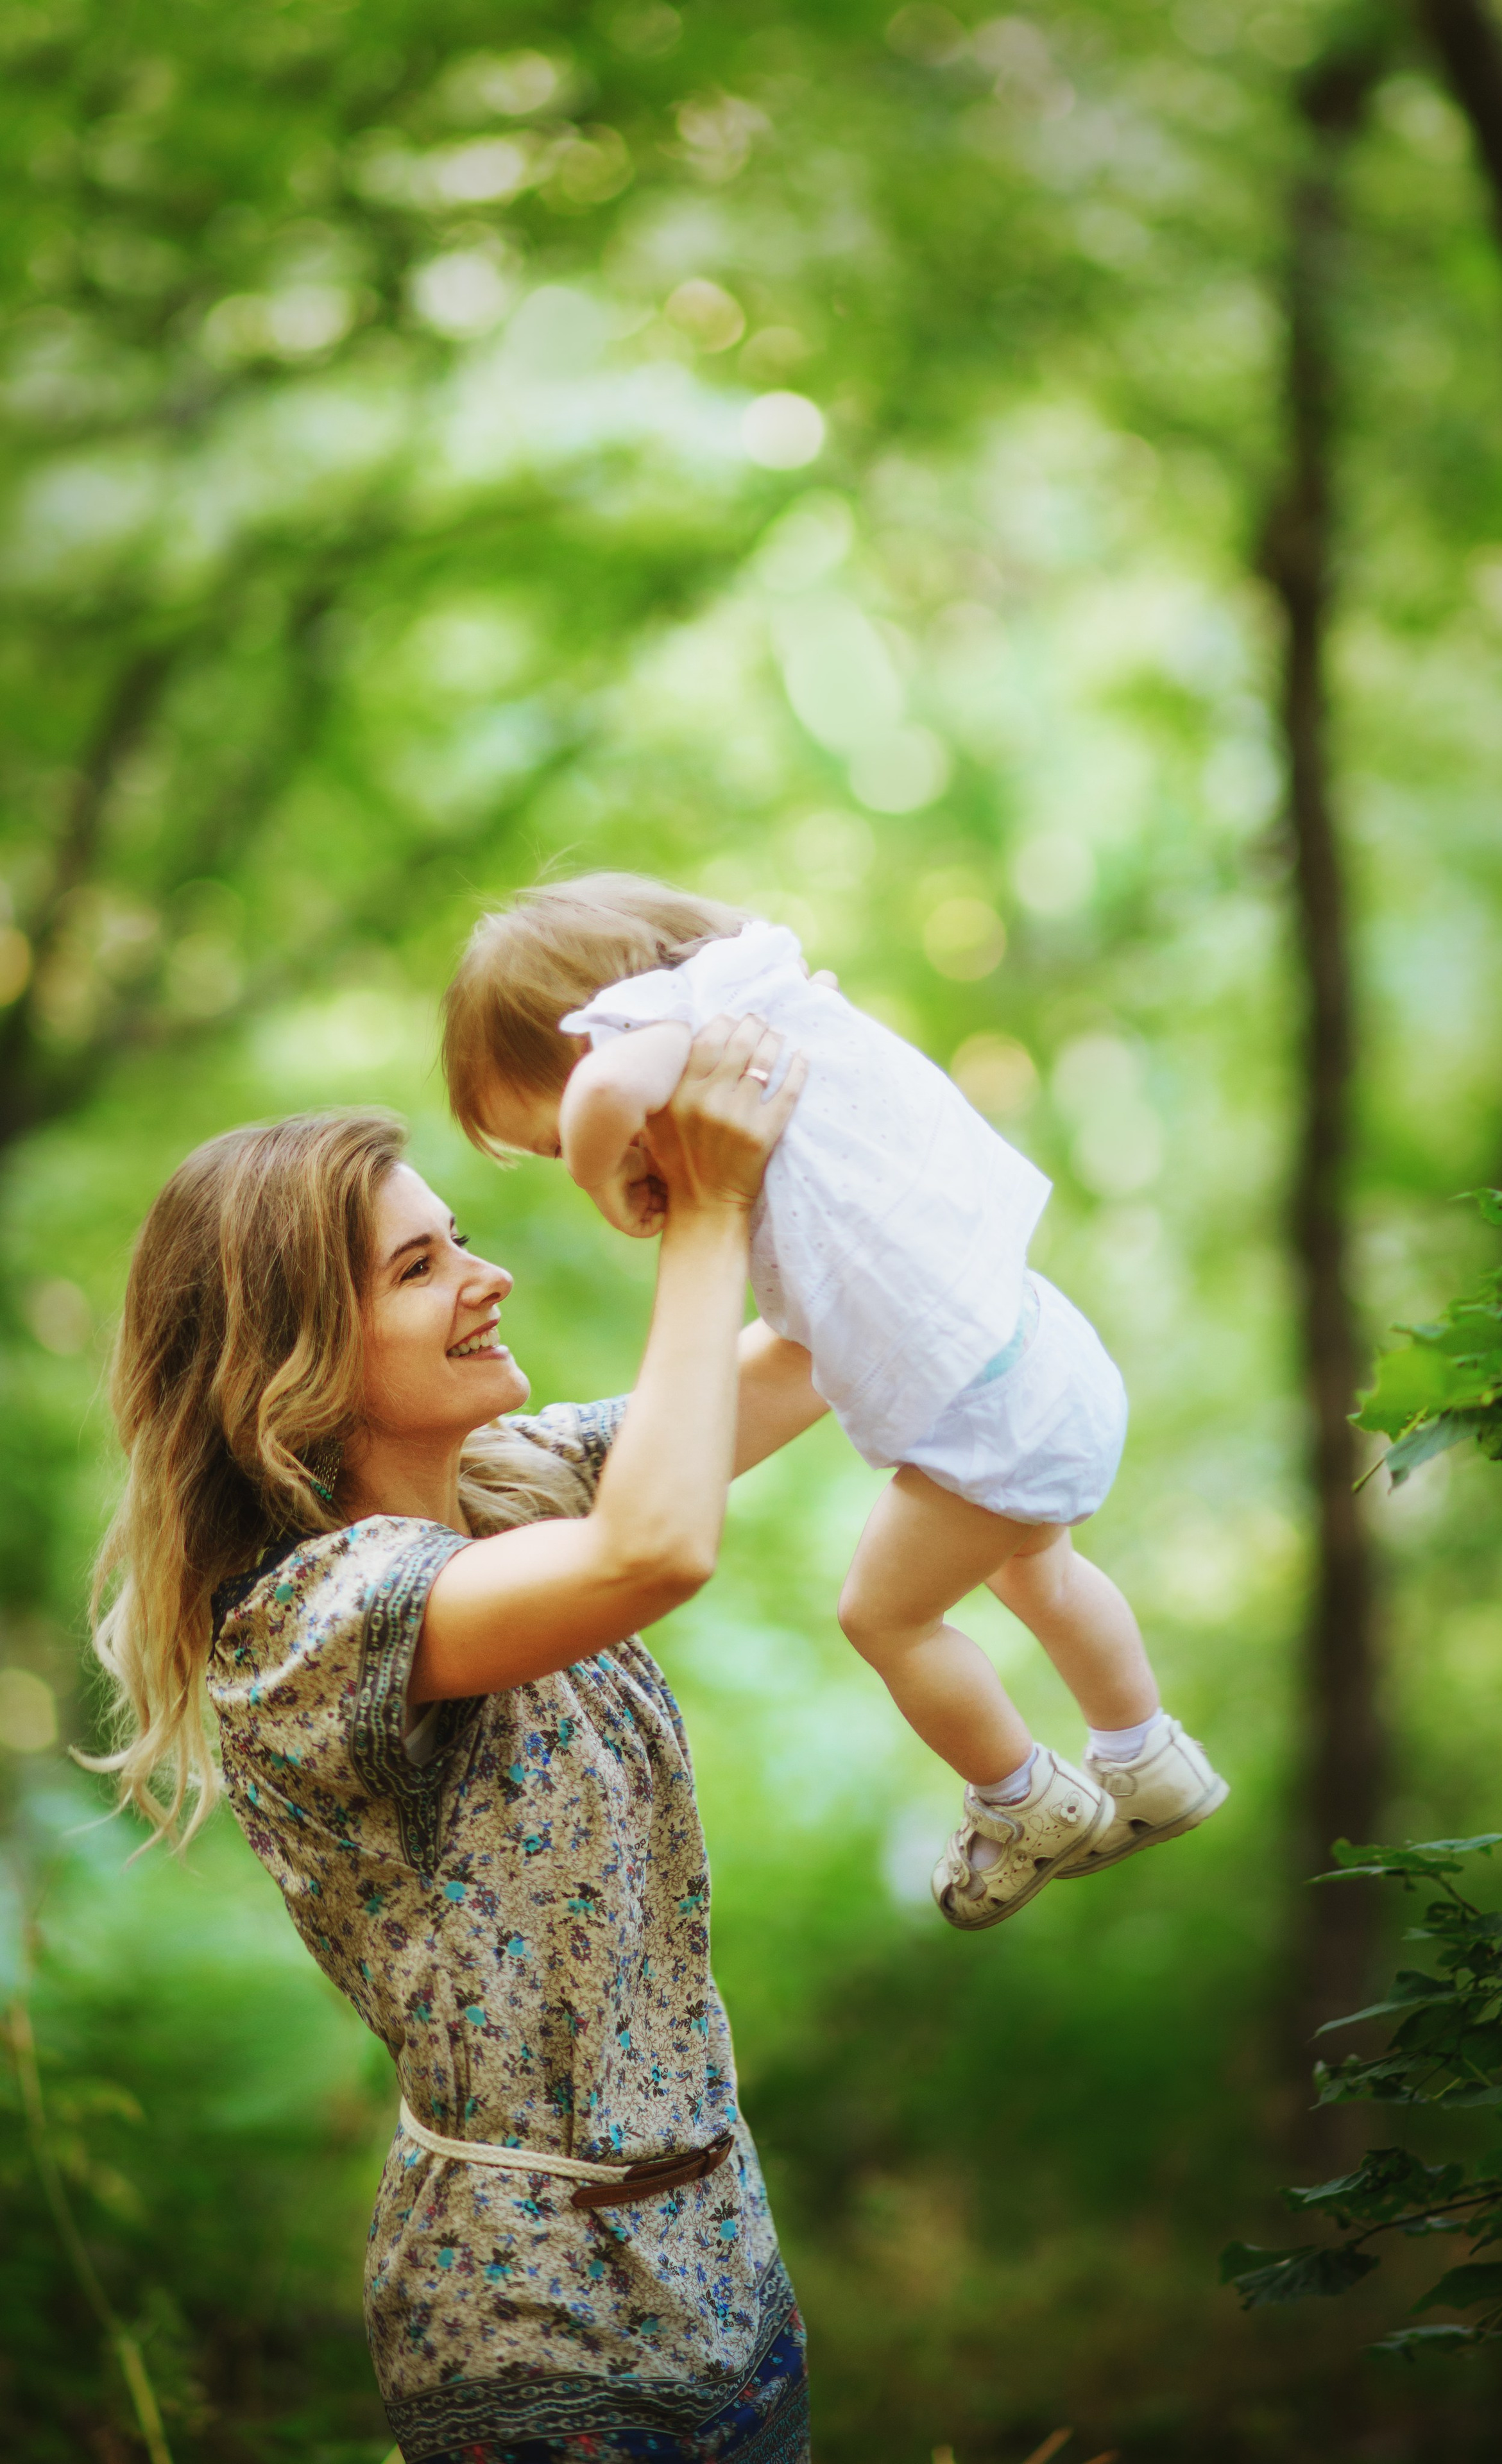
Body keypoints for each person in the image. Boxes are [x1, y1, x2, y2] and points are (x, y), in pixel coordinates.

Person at [88, 1017, 823, 2464]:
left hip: (725, 2278)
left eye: (457, 1238)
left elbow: (815, 1357)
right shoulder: (310, 1624)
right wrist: (710, 1221)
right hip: (545, 2344)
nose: (483, 1280)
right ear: (292, 1353)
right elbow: (659, 1546)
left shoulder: (502, 1483)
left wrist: (803, 1107)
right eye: (418, 1270)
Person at [440, 873, 1227, 1935]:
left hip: (984, 1416)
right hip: (1040, 1350)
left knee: (885, 1615)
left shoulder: (653, 1028)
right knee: (1040, 1572)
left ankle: (1025, 1800)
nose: (565, 1158)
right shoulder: (775, 1002)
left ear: (581, 1032)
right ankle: (1149, 1758)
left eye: (536, 1143)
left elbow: (597, 1097)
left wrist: (605, 1178)